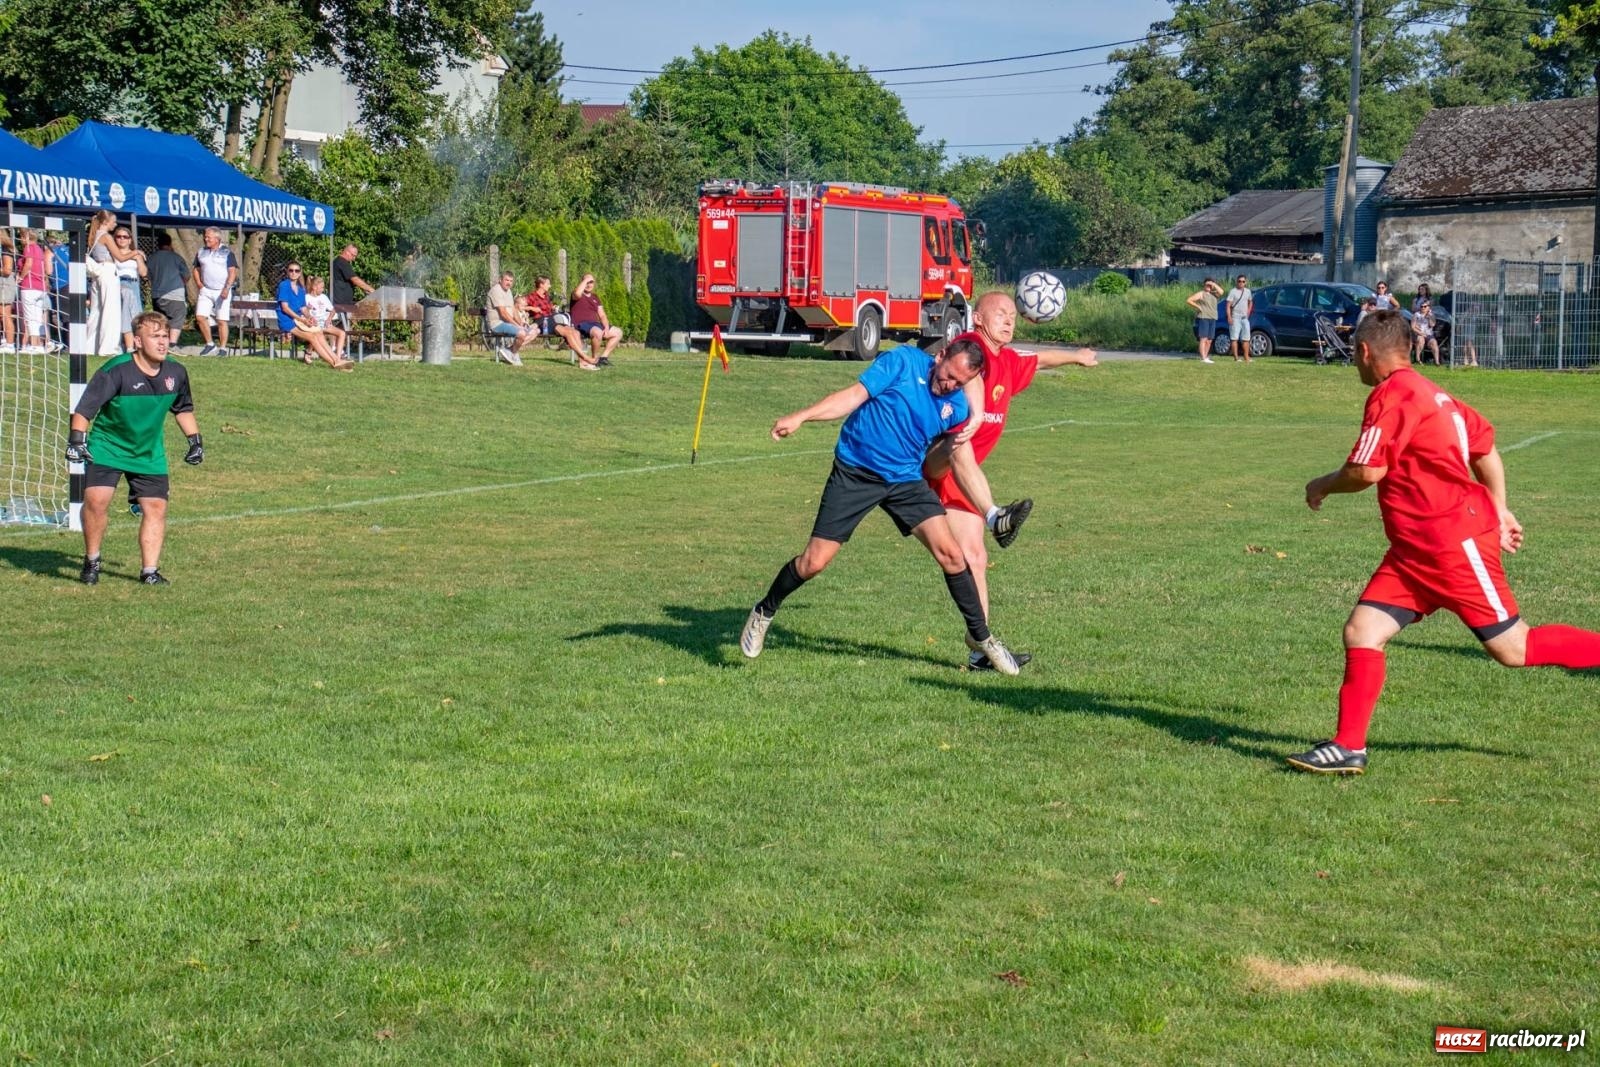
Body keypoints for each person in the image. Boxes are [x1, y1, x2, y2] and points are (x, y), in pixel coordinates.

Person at [1288, 310, 1600, 775]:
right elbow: (1485, 449)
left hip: (1452, 544)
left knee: (1515, 648)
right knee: (1362, 632)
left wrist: (1321, 484)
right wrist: (1500, 508)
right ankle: (1349, 746)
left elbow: (1367, 471)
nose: (1354, 362)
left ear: (1366, 351)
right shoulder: (1436, 394)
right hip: (1414, 551)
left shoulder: (1392, 395)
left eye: (1354, 353)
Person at [739, 338, 1024, 676]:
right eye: (948, 375)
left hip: (904, 479)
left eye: (959, 383)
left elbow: (940, 462)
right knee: (814, 562)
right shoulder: (903, 362)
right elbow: (852, 396)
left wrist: (958, 438)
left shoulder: (956, 408)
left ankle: (982, 638)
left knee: (952, 555)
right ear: (941, 354)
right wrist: (802, 417)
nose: (948, 386)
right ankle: (764, 611)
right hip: (855, 472)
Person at [922, 291, 1099, 669]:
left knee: (976, 557)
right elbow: (965, 369)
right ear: (980, 320)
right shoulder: (969, 347)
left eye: (1012, 315)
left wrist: (1077, 357)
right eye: (999, 313)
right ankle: (980, 637)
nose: (1009, 319)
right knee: (970, 554)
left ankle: (978, 647)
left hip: (964, 474)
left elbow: (1037, 359)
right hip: (938, 462)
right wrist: (977, 408)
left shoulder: (1006, 360)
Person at [66, 310, 204, 586]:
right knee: (96, 502)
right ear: (138, 341)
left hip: (148, 452)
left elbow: (182, 408)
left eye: (165, 336)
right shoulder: (115, 370)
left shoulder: (176, 372)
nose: (163, 342)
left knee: (156, 508)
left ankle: (149, 571)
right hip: (109, 447)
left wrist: (195, 441)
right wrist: (77, 440)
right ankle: (92, 560)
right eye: (155, 337)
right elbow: (84, 410)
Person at [275, 262, 351, 370]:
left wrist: (310, 317)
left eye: (296, 271)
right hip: (287, 321)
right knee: (312, 337)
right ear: (287, 272)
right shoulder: (284, 285)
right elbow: (285, 308)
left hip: (298, 319)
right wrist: (301, 319)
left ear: (300, 273)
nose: (293, 273)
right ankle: (334, 363)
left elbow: (303, 308)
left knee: (319, 332)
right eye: (291, 270)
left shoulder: (301, 289)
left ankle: (337, 359)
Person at [191, 227, 238, 356]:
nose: (206, 239)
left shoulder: (227, 252)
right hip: (206, 289)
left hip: (222, 290)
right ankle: (210, 344)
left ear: (217, 239)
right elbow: (196, 268)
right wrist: (199, 284)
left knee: (221, 320)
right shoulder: (201, 252)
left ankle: (223, 348)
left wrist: (227, 288)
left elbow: (232, 271)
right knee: (200, 317)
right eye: (205, 237)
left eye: (209, 237)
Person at [522, 275, 586, 363]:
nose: (550, 285)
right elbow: (519, 306)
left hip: (551, 320)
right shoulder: (531, 296)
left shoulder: (546, 296)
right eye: (548, 283)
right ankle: (583, 359)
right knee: (568, 333)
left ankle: (582, 358)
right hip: (542, 322)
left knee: (574, 332)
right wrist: (532, 308)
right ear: (541, 284)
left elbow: (549, 307)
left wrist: (553, 307)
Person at [146, 233, 190, 346]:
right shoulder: (176, 258)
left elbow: (148, 276)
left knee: (161, 320)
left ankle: (159, 342)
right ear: (170, 243)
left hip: (157, 294)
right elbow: (186, 275)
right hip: (174, 294)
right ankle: (172, 343)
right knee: (178, 316)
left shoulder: (152, 258)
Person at [570, 273, 622, 366]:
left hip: (594, 324)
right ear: (582, 282)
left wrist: (606, 327)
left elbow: (602, 315)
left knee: (618, 332)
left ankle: (603, 358)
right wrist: (585, 280)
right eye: (587, 282)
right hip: (580, 324)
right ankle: (594, 359)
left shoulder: (595, 297)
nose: (589, 285)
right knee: (597, 332)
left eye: (591, 282)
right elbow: (577, 294)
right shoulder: (576, 293)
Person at [112, 225, 148, 355]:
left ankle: (137, 344)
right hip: (121, 283)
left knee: (137, 315)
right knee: (125, 313)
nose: (122, 239)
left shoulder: (137, 254)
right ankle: (129, 346)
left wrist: (138, 258)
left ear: (130, 240)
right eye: (118, 236)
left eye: (125, 237)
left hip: (134, 283)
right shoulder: (113, 253)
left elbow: (143, 273)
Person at [485, 271, 534, 366]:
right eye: (506, 280)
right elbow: (503, 313)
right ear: (500, 280)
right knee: (522, 333)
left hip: (506, 323)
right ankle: (512, 353)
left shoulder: (509, 291)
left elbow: (513, 310)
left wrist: (520, 323)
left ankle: (510, 351)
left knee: (532, 332)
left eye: (511, 281)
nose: (509, 283)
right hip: (497, 324)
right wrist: (517, 326)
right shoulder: (496, 291)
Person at [18, 229, 52, 352]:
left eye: (20, 236)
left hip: (29, 285)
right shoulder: (39, 248)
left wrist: (20, 277)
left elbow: (29, 263)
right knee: (38, 317)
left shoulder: (29, 247)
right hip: (40, 287)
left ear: (25, 237)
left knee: (30, 317)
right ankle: (40, 345)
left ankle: (34, 345)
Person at [303, 275, 347, 357]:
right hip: (313, 324)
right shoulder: (306, 297)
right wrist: (308, 309)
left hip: (324, 324)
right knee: (318, 334)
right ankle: (309, 351)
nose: (323, 290)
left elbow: (333, 309)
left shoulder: (323, 297)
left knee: (342, 333)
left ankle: (338, 357)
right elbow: (303, 313)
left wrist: (329, 319)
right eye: (322, 287)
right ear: (314, 287)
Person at [1185, 278, 1223, 363]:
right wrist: (1198, 306)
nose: (1208, 286)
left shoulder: (1214, 294)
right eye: (1207, 284)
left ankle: (1206, 356)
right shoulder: (1201, 294)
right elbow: (1189, 300)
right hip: (1204, 317)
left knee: (1209, 340)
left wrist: (1213, 284)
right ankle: (1203, 357)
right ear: (1204, 285)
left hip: (1213, 318)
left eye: (1210, 285)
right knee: (1203, 338)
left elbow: (1221, 292)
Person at [1226, 274, 1253, 362]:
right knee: (1234, 338)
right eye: (1239, 281)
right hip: (1235, 317)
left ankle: (1246, 357)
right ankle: (1236, 358)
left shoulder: (1248, 291)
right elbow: (1228, 305)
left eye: (1243, 281)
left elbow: (1250, 302)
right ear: (1236, 282)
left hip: (1244, 318)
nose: (1241, 283)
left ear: (1245, 282)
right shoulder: (1232, 291)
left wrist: (1248, 312)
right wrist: (1229, 317)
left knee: (1246, 338)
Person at [1411, 299, 1440, 366]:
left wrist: (1429, 317)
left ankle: (1437, 362)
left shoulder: (1431, 315)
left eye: (1425, 306)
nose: (1423, 308)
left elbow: (1432, 325)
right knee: (1421, 340)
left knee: (1434, 343)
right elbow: (1413, 327)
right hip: (1418, 333)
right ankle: (1418, 359)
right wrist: (1421, 333)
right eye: (1421, 306)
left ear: (1428, 307)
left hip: (1428, 334)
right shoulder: (1416, 314)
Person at [0, 231, 15, 351]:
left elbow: (7, 270)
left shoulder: (5, 248)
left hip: (5, 283)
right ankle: (4, 341)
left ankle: (10, 344)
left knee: (5, 313)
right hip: (2, 283)